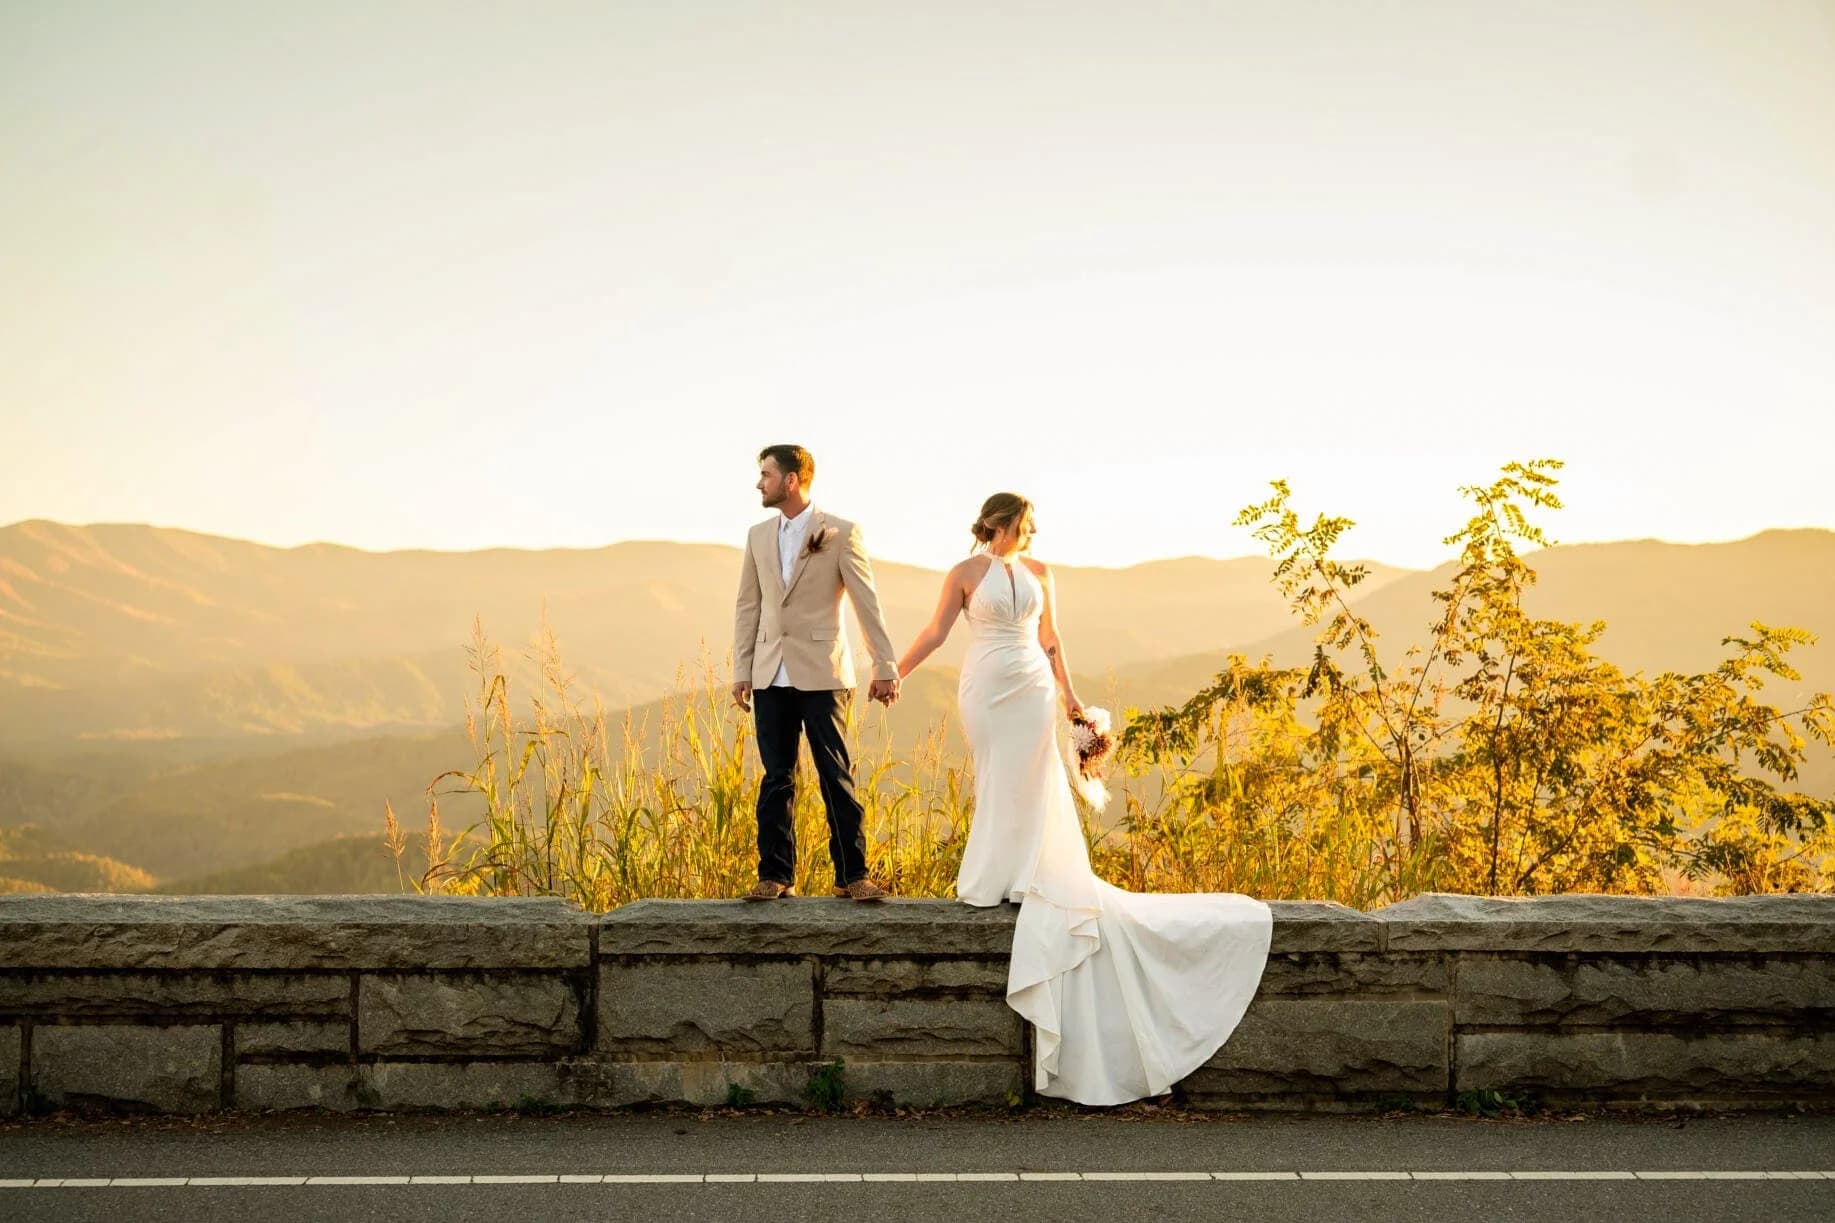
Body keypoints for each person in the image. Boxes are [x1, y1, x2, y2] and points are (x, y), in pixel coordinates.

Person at [895, 493, 1271, 1105]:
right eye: (1024, 523)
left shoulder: (1041, 573)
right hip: (985, 686)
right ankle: (996, 873)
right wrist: (897, 671)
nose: (1032, 531)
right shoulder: (964, 573)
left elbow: (1051, 638)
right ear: (999, 523)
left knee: (1035, 773)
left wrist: (1070, 699)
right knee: (998, 773)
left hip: (1032, 687)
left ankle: (1030, 872)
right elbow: (937, 632)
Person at [731, 444, 901, 902]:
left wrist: (884, 665)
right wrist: (742, 668)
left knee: (834, 774)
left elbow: (866, 601)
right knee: (776, 778)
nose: (759, 483)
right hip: (770, 672)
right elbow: (748, 604)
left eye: (766, 475)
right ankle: (775, 875)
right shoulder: (757, 535)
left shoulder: (840, 532)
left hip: (823, 672)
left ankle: (852, 875)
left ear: (791, 480)